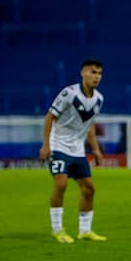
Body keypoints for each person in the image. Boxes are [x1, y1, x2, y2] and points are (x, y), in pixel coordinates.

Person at [39, 58, 107, 243]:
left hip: (77, 149)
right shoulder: (69, 93)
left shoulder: (98, 99)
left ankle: (85, 231)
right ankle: (57, 229)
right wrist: (46, 145)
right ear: (82, 73)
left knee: (89, 188)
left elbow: (90, 124)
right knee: (61, 184)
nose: (97, 76)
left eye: (99, 73)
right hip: (58, 145)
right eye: (93, 72)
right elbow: (50, 117)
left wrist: (95, 149)